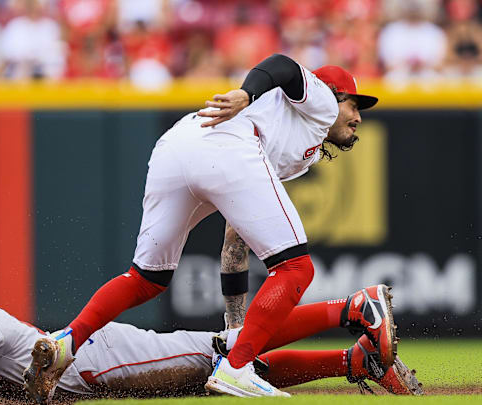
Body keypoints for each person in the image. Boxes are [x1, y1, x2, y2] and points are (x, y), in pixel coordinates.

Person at [23, 53, 382, 401]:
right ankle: (236, 369)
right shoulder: (321, 103)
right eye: (354, 106)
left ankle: (64, 345)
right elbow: (283, 66)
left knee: (146, 279)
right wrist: (246, 92)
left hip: (178, 146)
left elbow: (234, 241)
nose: (358, 118)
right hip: (227, 142)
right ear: (333, 97)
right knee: (296, 268)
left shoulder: (298, 142)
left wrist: (235, 325)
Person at [0, 242, 422, 405]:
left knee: (222, 353)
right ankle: (355, 361)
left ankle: (352, 307)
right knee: (218, 370)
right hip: (84, 373)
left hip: (97, 360)